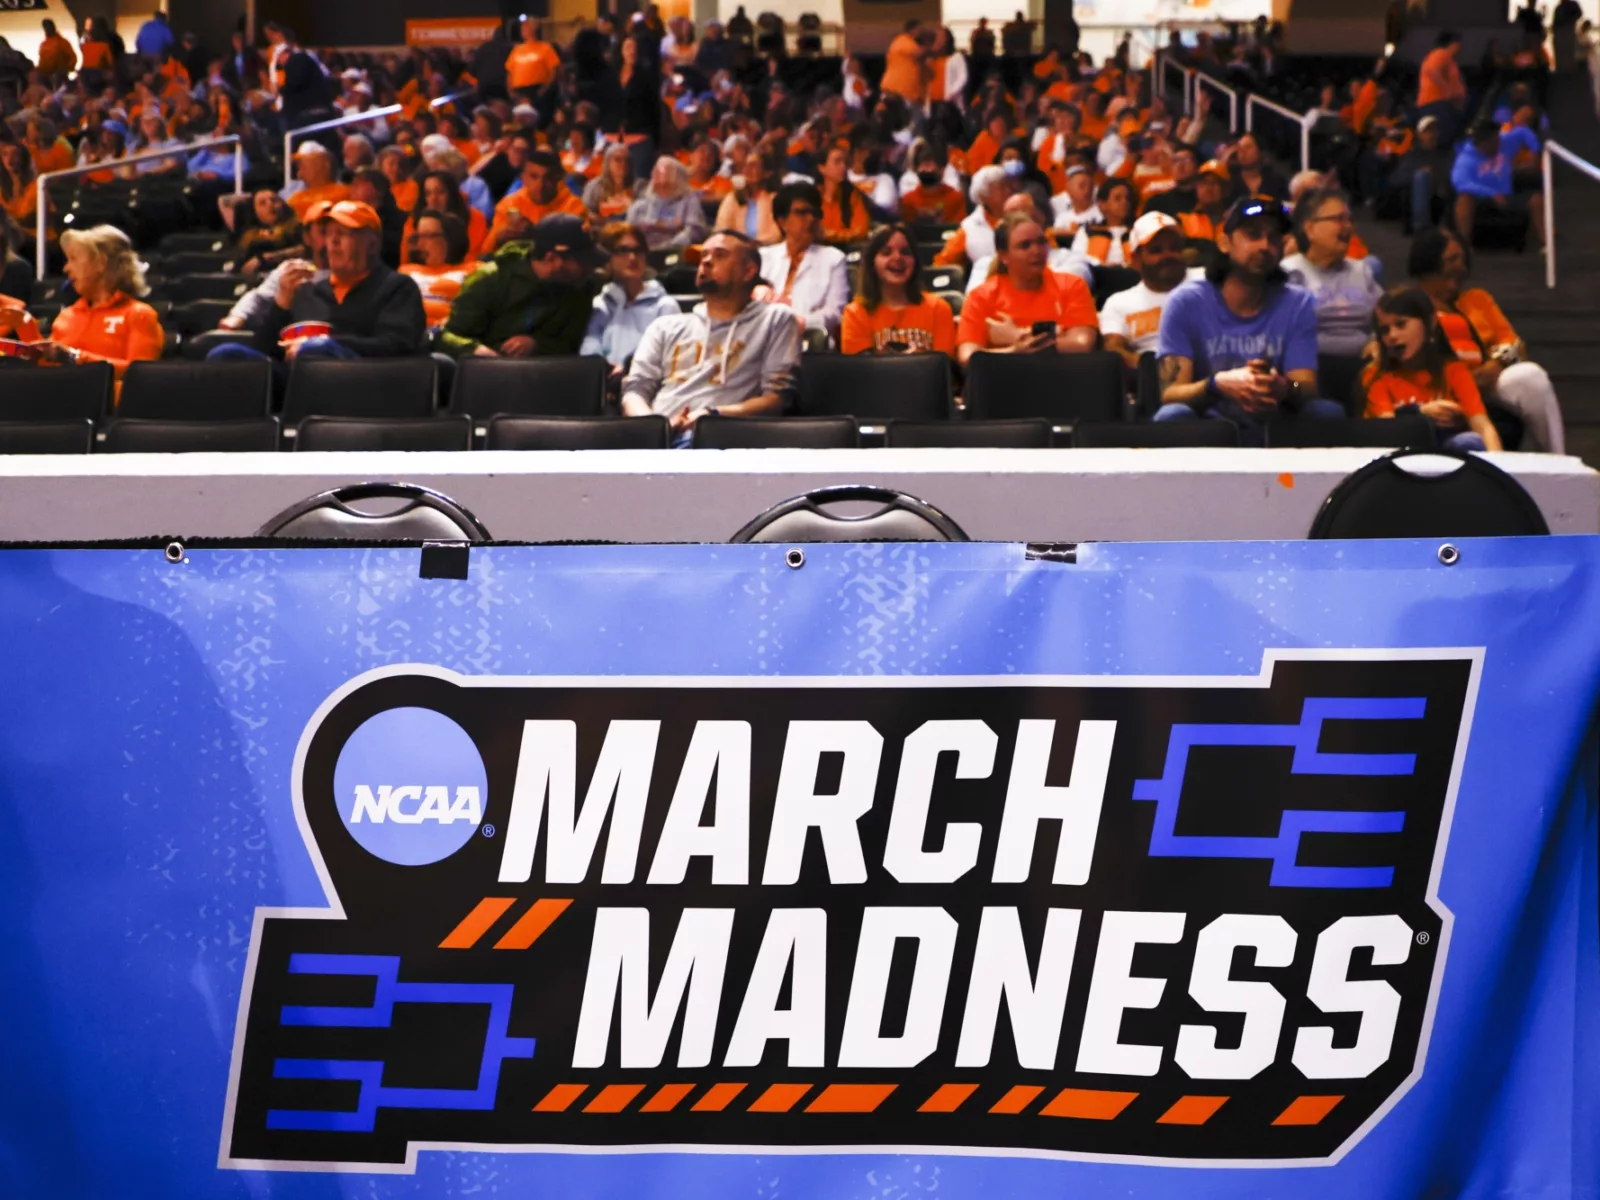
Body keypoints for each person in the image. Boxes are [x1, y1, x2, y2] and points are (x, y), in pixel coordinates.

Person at [1154, 198, 1346, 438]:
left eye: (1273, 238)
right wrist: (1216, 384)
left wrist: (1284, 387)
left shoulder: (1298, 303)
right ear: (1225, 243)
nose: (1265, 246)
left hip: (1276, 421)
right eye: (1253, 235)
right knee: (1171, 415)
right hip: (1208, 426)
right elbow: (1171, 392)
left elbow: (1305, 386)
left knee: (1327, 412)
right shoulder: (1185, 302)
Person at [622, 229, 801, 443]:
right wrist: (657, 428)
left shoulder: (774, 320)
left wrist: (712, 416)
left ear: (748, 271)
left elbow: (777, 399)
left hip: (722, 439)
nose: (706, 261)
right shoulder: (665, 326)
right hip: (655, 440)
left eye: (720, 255)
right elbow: (635, 390)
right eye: (704, 255)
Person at [208, 201, 426, 363]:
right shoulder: (308, 291)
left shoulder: (397, 287)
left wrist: (327, 343)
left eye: (343, 233)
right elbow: (265, 351)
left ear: (372, 243)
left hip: (362, 382)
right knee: (225, 355)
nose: (333, 241)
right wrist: (281, 304)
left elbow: (398, 345)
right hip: (295, 382)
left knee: (315, 349)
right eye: (328, 234)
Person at [1409, 228, 1565, 453]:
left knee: (1530, 376)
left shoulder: (1477, 300)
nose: (1461, 266)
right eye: (1452, 259)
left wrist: (1496, 364)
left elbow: (1513, 344)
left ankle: (1557, 458)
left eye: (1462, 259)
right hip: (1441, 387)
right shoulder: (1409, 304)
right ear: (1428, 262)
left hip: (1487, 381)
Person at [440, 213, 601, 359]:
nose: (590, 267)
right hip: (485, 371)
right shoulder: (490, 279)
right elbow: (447, 336)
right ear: (551, 258)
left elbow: (572, 344)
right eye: (581, 261)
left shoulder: (581, 287)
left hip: (548, 374)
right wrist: (475, 350)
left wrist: (536, 344)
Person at [1364, 286, 1501, 451]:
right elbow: (1387, 431)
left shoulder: (1454, 371)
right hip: (1399, 456)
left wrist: (1497, 464)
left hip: (1450, 457)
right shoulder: (1376, 376)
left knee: (1470, 441)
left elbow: (1483, 427)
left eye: (1401, 324)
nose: (1392, 336)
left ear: (1430, 322)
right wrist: (1418, 413)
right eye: (1385, 330)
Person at [956, 211, 1099, 367]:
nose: (1037, 251)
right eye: (1025, 245)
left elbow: (1082, 344)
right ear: (1003, 256)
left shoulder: (1072, 285)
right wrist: (1013, 351)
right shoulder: (980, 297)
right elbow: (967, 357)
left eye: (1041, 242)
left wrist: (1016, 335)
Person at [41, 226, 164, 378]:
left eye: (73, 258)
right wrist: (24, 326)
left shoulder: (139, 315)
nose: (66, 268)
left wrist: (76, 357)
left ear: (101, 262)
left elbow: (140, 375)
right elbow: (44, 370)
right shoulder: (67, 316)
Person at [1281, 187, 1382, 359]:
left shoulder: (1361, 270)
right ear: (1310, 229)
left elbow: (1385, 318)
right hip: (1310, 365)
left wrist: (1376, 341)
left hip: (1362, 362)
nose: (1348, 226)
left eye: (1350, 220)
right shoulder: (1290, 272)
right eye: (1339, 219)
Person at [840, 223, 956, 356]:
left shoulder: (938, 309)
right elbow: (857, 367)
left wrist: (921, 359)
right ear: (872, 263)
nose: (897, 258)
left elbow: (945, 364)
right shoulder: (855, 313)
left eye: (905, 252)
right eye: (886, 253)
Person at [581, 222, 682, 370]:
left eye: (638, 251)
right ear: (608, 258)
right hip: (605, 380)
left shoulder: (665, 306)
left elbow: (670, 356)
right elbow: (590, 348)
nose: (633, 257)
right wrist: (604, 369)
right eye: (623, 250)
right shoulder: (601, 304)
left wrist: (627, 369)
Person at [222, 200, 334, 332]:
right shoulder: (290, 270)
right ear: (307, 237)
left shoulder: (354, 275)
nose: (333, 240)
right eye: (324, 232)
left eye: (341, 233)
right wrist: (238, 317)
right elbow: (258, 299)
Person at [1099, 213, 1194, 369]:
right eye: (1156, 250)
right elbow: (1113, 349)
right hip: (1150, 375)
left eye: (1174, 248)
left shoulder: (1208, 282)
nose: (1168, 255)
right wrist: (1153, 368)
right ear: (1135, 260)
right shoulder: (1118, 303)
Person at [759, 182, 849, 343]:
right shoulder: (764, 257)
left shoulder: (833, 259)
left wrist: (797, 322)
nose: (811, 219)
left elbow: (835, 313)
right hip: (764, 338)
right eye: (802, 212)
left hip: (810, 342)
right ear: (782, 221)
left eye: (815, 213)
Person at [1451, 119, 1545, 249]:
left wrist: (1535, 153)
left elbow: (1523, 132)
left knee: (1536, 200)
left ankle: (1547, 243)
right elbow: (1461, 183)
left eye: (1498, 138)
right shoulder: (1466, 159)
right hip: (1483, 200)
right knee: (1464, 199)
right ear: (1484, 143)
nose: (1499, 142)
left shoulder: (1503, 142)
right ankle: (1464, 246)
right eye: (1495, 140)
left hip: (1506, 195)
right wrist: (1491, 193)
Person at [488, 149, 587, 252]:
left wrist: (535, 234)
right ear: (523, 178)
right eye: (534, 177)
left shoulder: (574, 206)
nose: (540, 185)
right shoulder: (509, 204)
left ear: (559, 178)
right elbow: (485, 251)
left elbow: (577, 250)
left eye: (548, 178)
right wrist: (497, 239)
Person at [400, 210, 473, 329]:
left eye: (429, 236)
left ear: (450, 238)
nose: (420, 244)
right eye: (419, 237)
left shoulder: (474, 270)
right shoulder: (406, 271)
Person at [934, 164, 1013, 266]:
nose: (1009, 191)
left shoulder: (1023, 215)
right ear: (984, 195)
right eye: (1002, 187)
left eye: (1008, 186)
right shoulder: (969, 227)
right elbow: (942, 262)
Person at [627, 156, 707, 250]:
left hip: (675, 251)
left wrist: (669, 247)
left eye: (666, 172)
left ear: (678, 178)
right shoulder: (640, 204)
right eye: (656, 172)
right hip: (642, 252)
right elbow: (629, 232)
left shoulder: (689, 200)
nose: (659, 176)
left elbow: (694, 231)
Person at [714, 146, 781, 244]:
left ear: (767, 173)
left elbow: (777, 234)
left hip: (768, 248)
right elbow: (722, 229)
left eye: (753, 166)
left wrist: (757, 244)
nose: (747, 170)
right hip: (736, 248)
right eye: (745, 165)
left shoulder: (776, 199)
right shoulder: (733, 198)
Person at [1417, 32, 1468, 147]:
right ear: (1453, 43)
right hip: (1436, 103)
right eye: (1458, 44)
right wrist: (1447, 90)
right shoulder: (1441, 54)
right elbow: (1432, 70)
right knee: (1441, 139)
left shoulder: (1449, 60)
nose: (1460, 48)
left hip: (1444, 104)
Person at [1071, 178, 1135, 266]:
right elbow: (1077, 259)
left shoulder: (1136, 232)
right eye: (1117, 199)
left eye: (1127, 199)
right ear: (1102, 204)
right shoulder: (1088, 232)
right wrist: (1100, 264)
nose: (1124, 202)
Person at [283, 143, 350, 222]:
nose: (300, 174)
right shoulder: (295, 199)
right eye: (299, 166)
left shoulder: (346, 193)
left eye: (303, 165)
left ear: (325, 164)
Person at [900, 143, 965, 224]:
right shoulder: (908, 200)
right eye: (923, 165)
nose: (927, 169)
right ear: (916, 169)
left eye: (930, 165)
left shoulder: (956, 198)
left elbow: (958, 227)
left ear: (942, 169)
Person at [1227, 133, 1289, 203]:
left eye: (1248, 147)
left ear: (1260, 151)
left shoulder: (1275, 180)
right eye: (1239, 148)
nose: (1243, 152)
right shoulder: (1230, 179)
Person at [507, 18, 561, 97]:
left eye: (526, 27)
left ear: (534, 28)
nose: (523, 29)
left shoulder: (545, 48)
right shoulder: (516, 50)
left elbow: (554, 70)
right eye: (523, 27)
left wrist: (545, 89)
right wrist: (511, 91)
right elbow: (510, 72)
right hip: (520, 91)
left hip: (538, 89)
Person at [881, 20, 927, 106]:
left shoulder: (909, 43)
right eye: (920, 30)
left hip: (906, 93)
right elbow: (918, 53)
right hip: (898, 91)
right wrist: (930, 46)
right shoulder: (903, 40)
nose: (922, 33)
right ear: (913, 30)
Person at [1051, 164, 1103, 236]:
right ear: (1069, 189)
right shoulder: (1062, 218)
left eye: (1090, 186)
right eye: (1082, 186)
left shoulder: (1102, 213)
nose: (1087, 190)